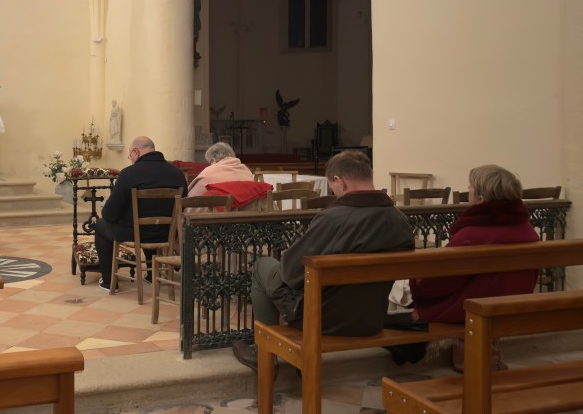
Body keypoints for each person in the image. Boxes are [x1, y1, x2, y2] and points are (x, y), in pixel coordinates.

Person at [231, 150, 415, 371]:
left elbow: (291, 273)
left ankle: (264, 355)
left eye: (332, 187)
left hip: (321, 319)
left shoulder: (333, 219)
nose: (334, 193)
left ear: (340, 181)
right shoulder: (399, 220)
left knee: (263, 266)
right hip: (371, 319)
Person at [410, 164, 539, 371]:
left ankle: (468, 357)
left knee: (406, 291)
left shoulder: (472, 235)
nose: (467, 189)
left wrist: (416, 283)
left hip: (469, 309)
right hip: (512, 304)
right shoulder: (527, 230)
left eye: (470, 186)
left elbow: (435, 281)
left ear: (481, 198)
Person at [94, 136, 187, 291]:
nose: (131, 159)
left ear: (136, 152)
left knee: (100, 225)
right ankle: (151, 275)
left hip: (136, 233)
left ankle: (109, 282)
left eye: (130, 155)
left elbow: (109, 214)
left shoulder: (129, 174)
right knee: (151, 222)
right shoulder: (177, 174)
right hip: (167, 234)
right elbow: (182, 207)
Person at [186, 142, 254, 197]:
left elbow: (191, 199)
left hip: (214, 210)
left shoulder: (209, 173)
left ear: (213, 161)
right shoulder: (247, 171)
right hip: (244, 210)